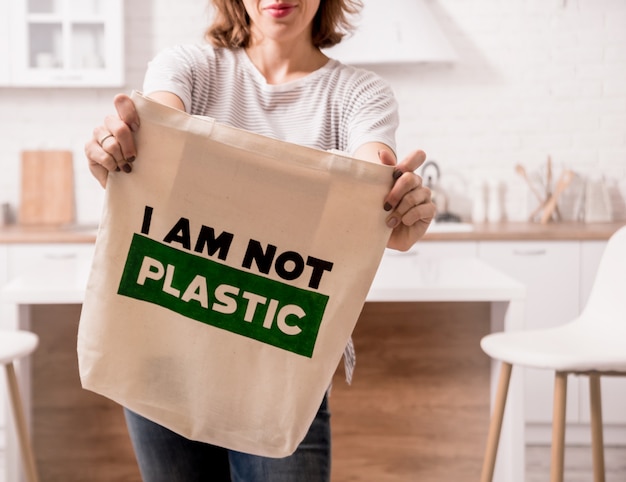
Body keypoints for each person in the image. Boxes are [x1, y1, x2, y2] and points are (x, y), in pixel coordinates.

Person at [84, 1, 435, 481]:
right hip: (163, 345)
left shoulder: (359, 95)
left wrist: (395, 209)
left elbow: (371, 179)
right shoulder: (188, 67)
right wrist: (121, 154)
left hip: (280, 364)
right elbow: (156, 154)